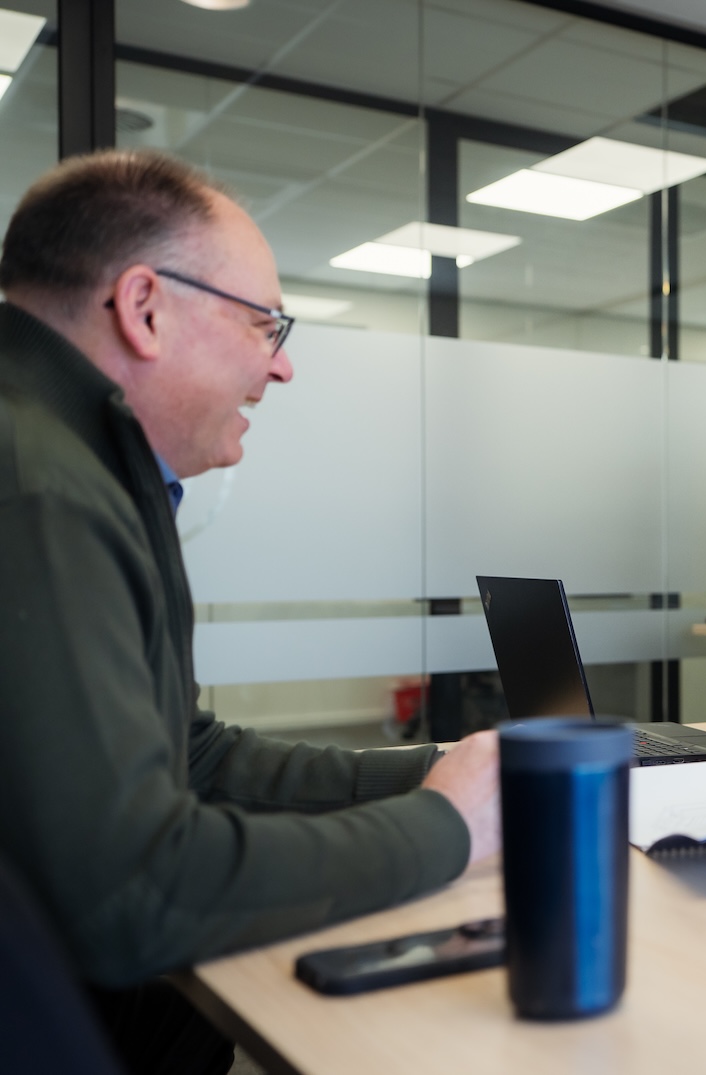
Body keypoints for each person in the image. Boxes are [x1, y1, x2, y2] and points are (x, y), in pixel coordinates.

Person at [0, 150, 500, 1072]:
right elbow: (133, 892)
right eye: (265, 325)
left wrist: (439, 773)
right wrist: (446, 829)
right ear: (145, 307)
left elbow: (194, 755)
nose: (283, 368)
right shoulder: (42, 488)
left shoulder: (73, 455)